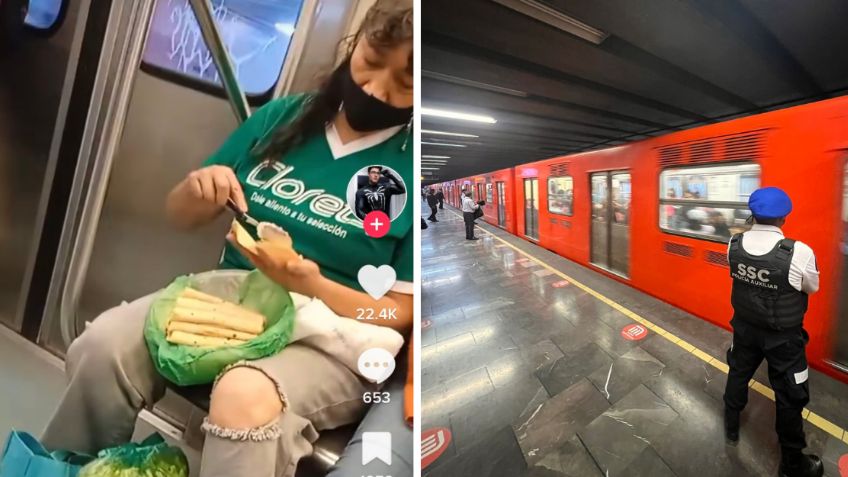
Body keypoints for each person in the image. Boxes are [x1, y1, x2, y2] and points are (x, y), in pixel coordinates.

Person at [41, 2, 414, 477]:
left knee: (243, 396)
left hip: (332, 335)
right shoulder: (283, 118)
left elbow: (397, 313)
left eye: (403, 84)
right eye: (371, 60)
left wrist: (310, 283)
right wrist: (201, 188)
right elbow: (181, 214)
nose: (374, 88)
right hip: (232, 301)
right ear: (354, 42)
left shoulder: (410, 166)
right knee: (102, 347)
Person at [722, 187, 822, 477]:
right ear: (784, 218)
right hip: (784, 339)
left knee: (738, 372)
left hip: (744, 329)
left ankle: (731, 428)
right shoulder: (798, 252)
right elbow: (811, 287)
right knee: (790, 394)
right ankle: (792, 464)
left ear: (753, 214)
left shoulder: (734, 243)